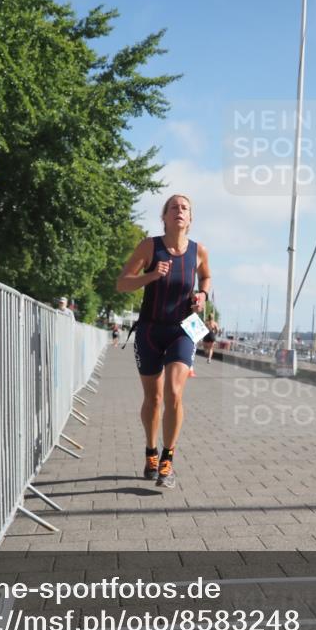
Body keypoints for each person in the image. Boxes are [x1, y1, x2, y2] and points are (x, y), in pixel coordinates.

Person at [115, 194, 211, 488]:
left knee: (173, 392)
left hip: (183, 329)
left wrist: (202, 296)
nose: (179, 211)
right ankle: (150, 451)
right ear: (165, 217)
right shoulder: (150, 246)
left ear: (190, 219)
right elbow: (121, 284)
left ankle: (167, 460)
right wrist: (152, 275)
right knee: (153, 399)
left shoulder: (198, 251)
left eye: (185, 208)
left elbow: (205, 278)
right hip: (149, 331)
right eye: (174, 207)